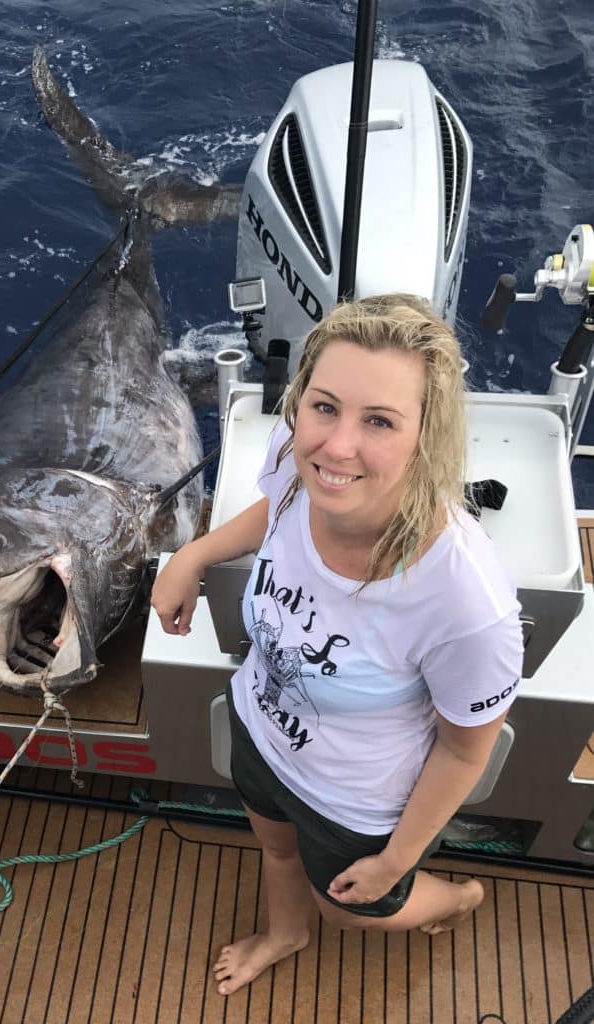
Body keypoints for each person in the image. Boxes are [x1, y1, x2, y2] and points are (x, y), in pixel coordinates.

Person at [151, 294, 524, 997]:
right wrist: (192, 555)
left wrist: (396, 861)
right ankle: (284, 932)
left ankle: (455, 898)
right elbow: (283, 501)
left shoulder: (464, 603)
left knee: (354, 908)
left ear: (426, 436)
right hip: (260, 729)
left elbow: (463, 748)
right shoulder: (303, 459)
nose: (336, 446)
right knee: (273, 848)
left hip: (357, 799)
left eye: (378, 421)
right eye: (323, 407)